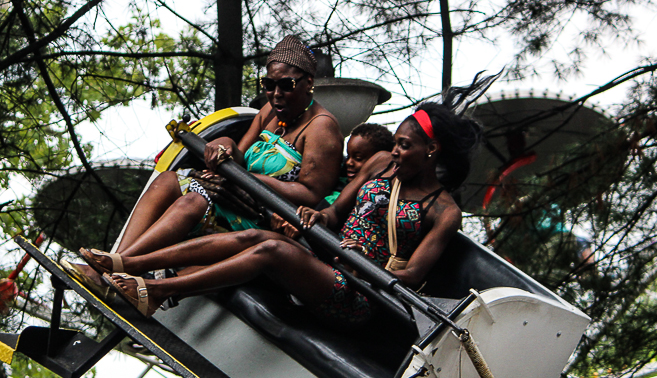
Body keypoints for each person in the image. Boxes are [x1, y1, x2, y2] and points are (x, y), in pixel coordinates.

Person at [82, 86, 484, 326]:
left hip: (361, 292)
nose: (394, 151)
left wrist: (369, 262)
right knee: (258, 235)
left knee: (270, 250)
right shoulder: (382, 166)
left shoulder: (445, 212)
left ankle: (154, 289)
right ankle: (127, 265)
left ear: (432, 150)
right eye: (395, 142)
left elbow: (411, 276)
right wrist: (316, 216)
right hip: (327, 260)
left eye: (405, 146)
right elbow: (333, 213)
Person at [64, 35, 343, 295]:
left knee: (192, 204)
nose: (276, 93)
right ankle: (112, 266)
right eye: (269, 85)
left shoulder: (322, 128)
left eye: (286, 85)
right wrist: (221, 147)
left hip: (264, 215)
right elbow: (239, 153)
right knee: (167, 181)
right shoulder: (270, 111)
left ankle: (116, 269)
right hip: (233, 195)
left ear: (308, 83)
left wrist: (248, 180)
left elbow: (310, 194)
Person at [272, 122, 395, 237]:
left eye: (358, 158)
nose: (349, 163)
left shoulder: (369, 196)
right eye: (349, 156)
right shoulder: (337, 178)